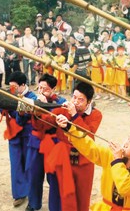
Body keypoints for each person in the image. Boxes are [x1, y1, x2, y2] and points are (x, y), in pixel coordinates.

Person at [55, 117, 130, 210]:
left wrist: (117, 160)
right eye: (128, 138)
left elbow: (125, 187)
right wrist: (69, 128)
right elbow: (91, 148)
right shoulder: (112, 155)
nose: (125, 143)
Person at [39, 82, 102, 211]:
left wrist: (74, 116)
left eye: (81, 100)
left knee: (82, 194)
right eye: (74, 97)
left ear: (88, 102)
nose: (75, 102)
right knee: (62, 192)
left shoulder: (96, 114)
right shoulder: (63, 109)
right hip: (64, 158)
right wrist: (38, 108)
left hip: (84, 160)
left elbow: (87, 135)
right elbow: (44, 123)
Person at [25, 74, 66, 211]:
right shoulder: (32, 99)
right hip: (35, 141)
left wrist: (43, 106)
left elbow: (52, 122)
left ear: (53, 89)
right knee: (33, 174)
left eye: (45, 88)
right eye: (40, 87)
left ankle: (55, 207)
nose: (41, 91)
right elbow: (24, 120)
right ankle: (33, 203)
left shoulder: (61, 101)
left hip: (53, 142)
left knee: (54, 177)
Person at [6, 71, 37, 207]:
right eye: (10, 86)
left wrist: (20, 113)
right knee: (16, 163)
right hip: (13, 134)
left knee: (29, 164)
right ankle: (19, 194)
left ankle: (32, 192)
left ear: (22, 85)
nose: (11, 89)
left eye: (14, 86)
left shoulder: (32, 97)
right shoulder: (9, 96)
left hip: (28, 135)